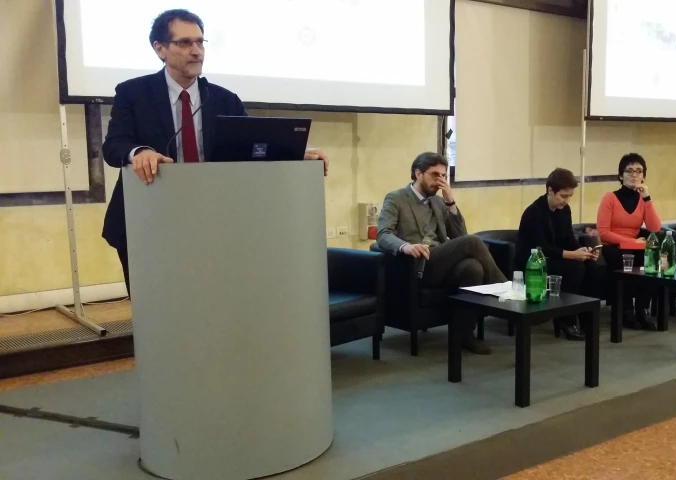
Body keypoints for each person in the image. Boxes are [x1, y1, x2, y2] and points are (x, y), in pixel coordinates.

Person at [102, 9, 329, 295]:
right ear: (159, 48)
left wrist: (294, 152)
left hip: (212, 220)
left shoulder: (223, 99)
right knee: (156, 306)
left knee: (210, 301)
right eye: (185, 43)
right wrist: (139, 151)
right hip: (148, 220)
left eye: (200, 42)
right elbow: (113, 146)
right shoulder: (133, 94)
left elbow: (251, 148)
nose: (196, 51)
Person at [376, 152, 506, 354]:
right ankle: (505, 291)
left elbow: (459, 236)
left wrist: (451, 203)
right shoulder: (396, 198)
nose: (440, 181)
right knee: (473, 241)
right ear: (418, 173)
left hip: (441, 262)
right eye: (434, 175)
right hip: (417, 264)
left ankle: (464, 335)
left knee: (473, 268)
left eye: (443, 176)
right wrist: (406, 247)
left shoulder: (438, 202)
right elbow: (383, 234)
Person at [516, 168, 605, 340]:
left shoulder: (565, 211)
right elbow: (541, 247)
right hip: (533, 262)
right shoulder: (534, 212)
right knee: (574, 268)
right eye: (563, 196)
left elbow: (568, 239)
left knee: (592, 267)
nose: (567, 200)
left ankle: (588, 321)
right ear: (550, 191)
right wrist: (572, 255)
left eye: (570, 195)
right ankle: (566, 321)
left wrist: (584, 251)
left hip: (555, 258)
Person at [596, 153, 663, 330]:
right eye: (629, 171)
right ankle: (625, 310)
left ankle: (642, 309)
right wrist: (631, 242)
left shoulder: (643, 199)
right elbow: (603, 232)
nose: (634, 175)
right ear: (620, 175)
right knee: (624, 255)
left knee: (651, 258)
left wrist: (647, 199)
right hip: (612, 246)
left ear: (643, 176)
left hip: (635, 245)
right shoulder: (609, 198)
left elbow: (655, 228)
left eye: (639, 171)